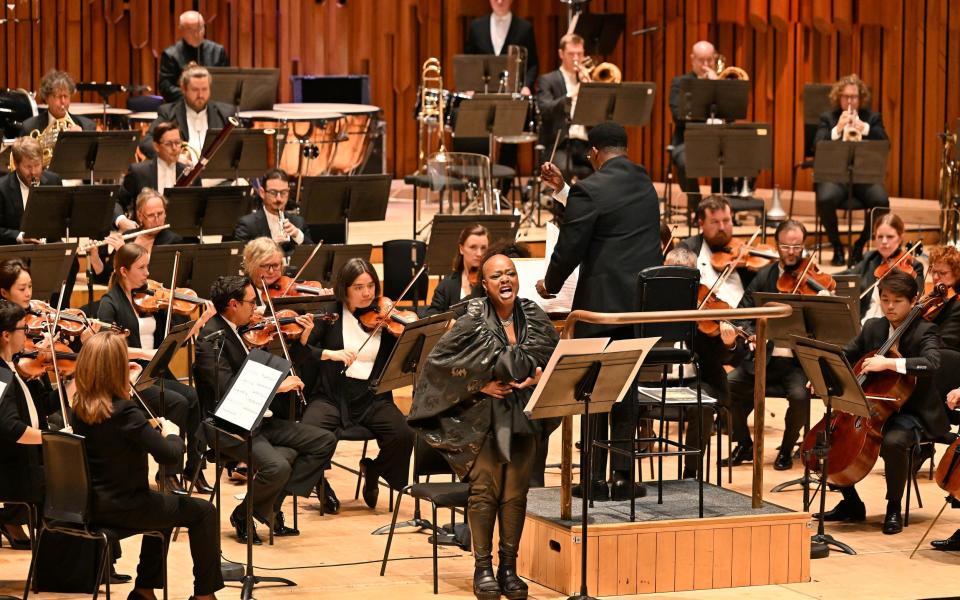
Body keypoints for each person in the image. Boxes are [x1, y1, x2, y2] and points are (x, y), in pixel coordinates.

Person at [410, 251, 558, 600]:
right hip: (481, 419)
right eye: (496, 276)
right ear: (484, 284)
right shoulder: (471, 319)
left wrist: (535, 379)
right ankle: (483, 567)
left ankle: (509, 567)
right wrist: (480, 384)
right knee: (485, 494)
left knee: (515, 495)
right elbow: (439, 366)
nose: (505, 280)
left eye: (510, 273)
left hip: (523, 416)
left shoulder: (533, 315)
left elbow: (550, 356)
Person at [536, 121, 661, 500]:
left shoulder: (590, 189)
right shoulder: (645, 183)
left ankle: (591, 477)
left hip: (600, 310)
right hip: (639, 308)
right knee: (625, 388)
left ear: (593, 153)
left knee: (592, 390)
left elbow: (572, 245)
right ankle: (623, 477)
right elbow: (606, 212)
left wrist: (550, 284)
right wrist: (564, 191)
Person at [70, 330, 223, 599]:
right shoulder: (125, 411)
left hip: (92, 506)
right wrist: (173, 432)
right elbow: (169, 455)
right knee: (204, 512)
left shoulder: (82, 405)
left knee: (165, 506)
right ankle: (204, 596)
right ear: (114, 369)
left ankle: (144, 591)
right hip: (125, 507)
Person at [193, 275, 337, 540]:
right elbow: (227, 391)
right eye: (251, 302)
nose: (257, 307)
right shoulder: (210, 340)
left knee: (323, 441)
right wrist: (276, 387)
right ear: (234, 304)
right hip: (228, 425)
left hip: (259, 419)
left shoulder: (240, 330)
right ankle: (248, 513)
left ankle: (264, 508)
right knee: (280, 466)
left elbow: (275, 362)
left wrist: (302, 341)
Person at [815, 270, 949, 535]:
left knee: (894, 442)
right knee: (831, 438)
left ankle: (894, 508)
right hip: (874, 408)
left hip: (912, 411)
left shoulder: (925, 330)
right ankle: (851, 503)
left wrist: (889, 363)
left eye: (897, 301)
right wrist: (825, 371)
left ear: (913, 301)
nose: (889, 306)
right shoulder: (874, 327)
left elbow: (932, 363)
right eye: (885, 299)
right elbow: (845, 354)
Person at [299, 258, 415, 510]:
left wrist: (405, 331)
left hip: (373, 396)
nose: (367, 293)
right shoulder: (329, 314)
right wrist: (327, 353)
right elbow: (306, 351)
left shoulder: (385, 317)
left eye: (371, 286)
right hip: (331, 395)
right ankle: (320, 485)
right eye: (359, 287)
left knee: (403, 435)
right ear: (345, 289)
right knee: (309, 431)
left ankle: (373, 470)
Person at [97, 243, 211, 495]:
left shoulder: (147, 297)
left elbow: (171, 342)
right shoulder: (110, 303)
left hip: (154, 370)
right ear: (124, 271)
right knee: (179, 403)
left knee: (194, 397)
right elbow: (106, 347)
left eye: (147, 266)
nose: (148, 273)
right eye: (142, 268)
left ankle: (194, 467)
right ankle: (169, 471)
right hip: (130, 378)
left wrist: (199, 322)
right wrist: (143, 353)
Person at [725, 220, 814, 471]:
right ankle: (744, 443)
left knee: (799, 397)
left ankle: (786, 449)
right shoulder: (765, 275)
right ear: (777, 246)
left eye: (797, 246)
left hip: (797, 364)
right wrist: (752, 333)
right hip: (765, 358)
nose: (792, 252)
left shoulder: (812, 278)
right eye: (786, 246)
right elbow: (743, 312)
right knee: (729, 385)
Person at [661, 246, 742, 479]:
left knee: (702, 403)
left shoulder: (708, 306)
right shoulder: (652, 302)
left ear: (695, 276)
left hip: (701, 378)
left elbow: (725, 358)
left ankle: (690, 473)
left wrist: (728, 343)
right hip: (660, 379)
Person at [0, 300, 59, 549]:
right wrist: (54, 440)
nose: (28, 334)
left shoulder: (14, 366)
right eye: (23, 329)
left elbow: (43, 407)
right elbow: (12, 429)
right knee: (70, 480)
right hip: (12, 470)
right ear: (5, 335)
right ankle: (59, 558)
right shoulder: (0, 376)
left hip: (28, 460)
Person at [815, 74, 890, 266]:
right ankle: (837, 246)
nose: (850, 101)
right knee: (824, 198)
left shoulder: (872, 118)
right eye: (846, 96)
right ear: (838, 97)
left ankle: (859, 245)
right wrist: (838, 129)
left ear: (861, 98)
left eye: (854, 97)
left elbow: (885, 143)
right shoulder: (828, 118)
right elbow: (816, 145)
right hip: (835, 177)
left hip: (864, 177)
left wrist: (864, 128)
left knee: (881, 201)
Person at [89, 188, 186, 285]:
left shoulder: (173, 241)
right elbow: (105, 278)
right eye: (151, 215)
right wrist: (94, 256)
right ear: (140, 216)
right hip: (125, 297)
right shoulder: (128, 236)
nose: (157, 220)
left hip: (153, 297)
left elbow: (151, 279)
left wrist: (123, 252)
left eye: (160, 213)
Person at [143, 64, 237, 160]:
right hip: (180, 172)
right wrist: (173, 157)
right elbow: (146, 143)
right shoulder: (168, 113)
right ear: (184, 89)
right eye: (195, 90)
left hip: (217, 172)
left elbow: (240, 144)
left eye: (204, 89)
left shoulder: (226, 113)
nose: (200, 95)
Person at [843, 213, 924, 322]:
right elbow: (848, 274)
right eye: (880, 237)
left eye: (890, 237)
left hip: (892, 324)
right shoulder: (870, 258)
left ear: (900, 238)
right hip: (863, 320)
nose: (884, 241)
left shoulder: (914, 266)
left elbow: (915, 302)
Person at [679, 194, 756, 307]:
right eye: (715, 222)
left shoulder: (743, 252)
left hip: (744, 318)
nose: (722, 228)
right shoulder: (689, 249)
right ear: (701, 223)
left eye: (726, 220)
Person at [536, 33, 593, 181]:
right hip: (560, 143)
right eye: (571, 54)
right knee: (560, 172)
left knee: (605, 169)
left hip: (585, 142)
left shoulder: (587, 79)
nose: (576, 58)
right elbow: (545, 110)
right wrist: (572, 95)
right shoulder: (548, 80)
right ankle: (562, 205)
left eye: (579, 54)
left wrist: (591, 89)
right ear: (561, 54)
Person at [668, 40, 719, 207]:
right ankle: (696, 206)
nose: (706, 65)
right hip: (686, 141)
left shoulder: (721, 82)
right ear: (692, 59)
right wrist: (705, 87)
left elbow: (731, 116)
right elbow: (678, 116)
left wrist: (716, 85)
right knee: (685, 161)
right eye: (701, 60)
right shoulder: (680, 83)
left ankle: (720, 206)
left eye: (709, 60)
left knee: (736, 157)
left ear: (715, 59)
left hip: (717, 141)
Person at [464, 0, 539, 95]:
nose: (499, 2)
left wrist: (526, 86)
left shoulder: (525, 28)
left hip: (514, 93)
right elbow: (469, 61)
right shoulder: (476, 27)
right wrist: (470, 86)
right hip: (482, 92)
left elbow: (533, 64)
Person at [0, 137, 63, 245]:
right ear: (16, 164)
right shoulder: (2, 188)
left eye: (37, 165)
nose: (34, 172)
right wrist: (20, 236)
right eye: (28, 167)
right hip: (15, 253)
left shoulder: (54, 180)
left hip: (49, 247)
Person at [234, 169, 312, 256]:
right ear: (262, 193)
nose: (279, 198)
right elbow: (241, 260)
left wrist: (297, 235)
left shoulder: (299, 223)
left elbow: (313, 255)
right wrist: (270, 247)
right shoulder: (247, 225)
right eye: (273, 192)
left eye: (283, 192)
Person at [158, 11, 229, 103]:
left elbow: (226, 83)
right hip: (181, 106)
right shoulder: (170, 55)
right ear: (181, 30)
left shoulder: (218, 51)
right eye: (191, 30)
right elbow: (165, 87)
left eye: (200, 28)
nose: (197, 34)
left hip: (213, 106)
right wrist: (192, 96)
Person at [119, 121, 189, 213]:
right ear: (156, 146)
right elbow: (118, 202)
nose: (175, 148)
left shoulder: (189, 173)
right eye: (168, 144)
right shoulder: (138, 172)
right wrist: (122, 220)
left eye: (178, 143)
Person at [425, 223, 489, 316]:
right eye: (473, 247)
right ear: (461, 249)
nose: (479, 253)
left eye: (483, 248)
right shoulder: (447, 284)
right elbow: (432, 315)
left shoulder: (491, 282)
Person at [19, 70, 96, 136]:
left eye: (65, 96)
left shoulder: (87, 126)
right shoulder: (29, 127)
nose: (63, 101)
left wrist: (79, 139)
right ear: (46, 98)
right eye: (58, 96)